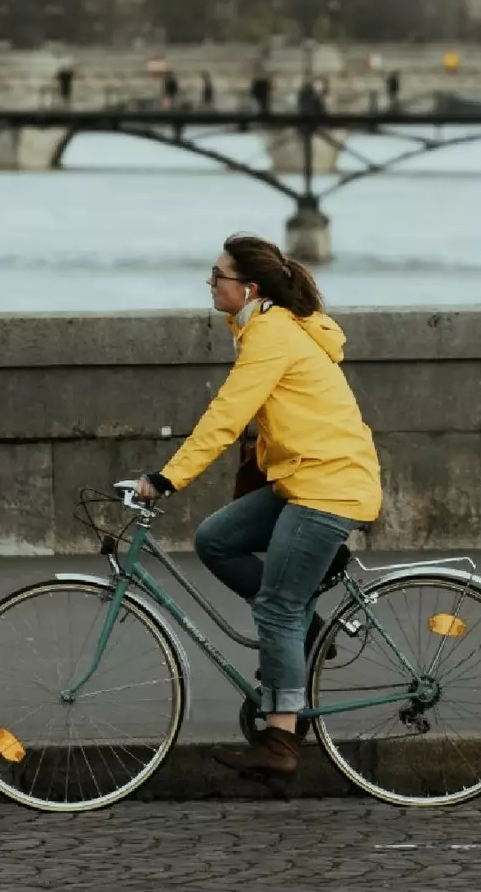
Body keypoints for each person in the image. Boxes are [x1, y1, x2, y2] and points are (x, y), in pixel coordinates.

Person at [135, 234, 382, 786]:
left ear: (247, 287)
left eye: (217, 276)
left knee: (276, 606)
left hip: (329, 484)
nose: (210, 284)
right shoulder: (260, 325)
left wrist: (166, 478)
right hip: (305, 476)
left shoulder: (270, 333)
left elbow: (226, 416)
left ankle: (281, 738)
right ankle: (308, 630)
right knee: (216, 540)